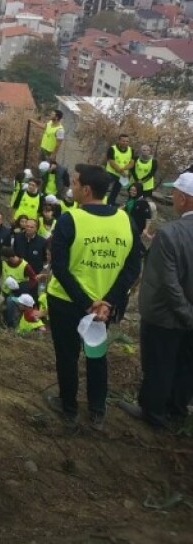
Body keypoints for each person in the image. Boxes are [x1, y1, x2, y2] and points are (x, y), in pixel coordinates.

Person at [44, 163, 144, 430]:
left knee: (67, 355)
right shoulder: (125, 220)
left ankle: (69, 407)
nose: (71, 187)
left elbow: (60, 267)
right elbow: (133, 266)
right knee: (96, 354)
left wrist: (88, 303)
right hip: (103, 308)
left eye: (74, 183)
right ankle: (97, 411)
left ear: (86, 190)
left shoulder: (70, 219)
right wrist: (108, 301)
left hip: (68, 302)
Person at [120, 172, 193, 430]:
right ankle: (177, 409)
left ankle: (153, 412)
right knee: (185, 364)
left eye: (175, 193)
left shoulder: (170, 234)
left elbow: (169, 283)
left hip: (165, 316)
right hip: (188, 317)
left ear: (184, 199)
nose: (171, 196)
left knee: (159, 363)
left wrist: (186, 314)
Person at [104, 133, 135, 206]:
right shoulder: (112, 149)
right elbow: (112, 162)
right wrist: (121, 171)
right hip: (111, 173)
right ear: (119, 141)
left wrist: (124, 169)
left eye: (127, 141)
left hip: (123, 175)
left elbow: (132, 163)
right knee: (104, 187)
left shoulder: (131, 150)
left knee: (116, 190)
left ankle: (110, 204)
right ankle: (98, 201)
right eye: (123, 141)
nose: (125, 143)